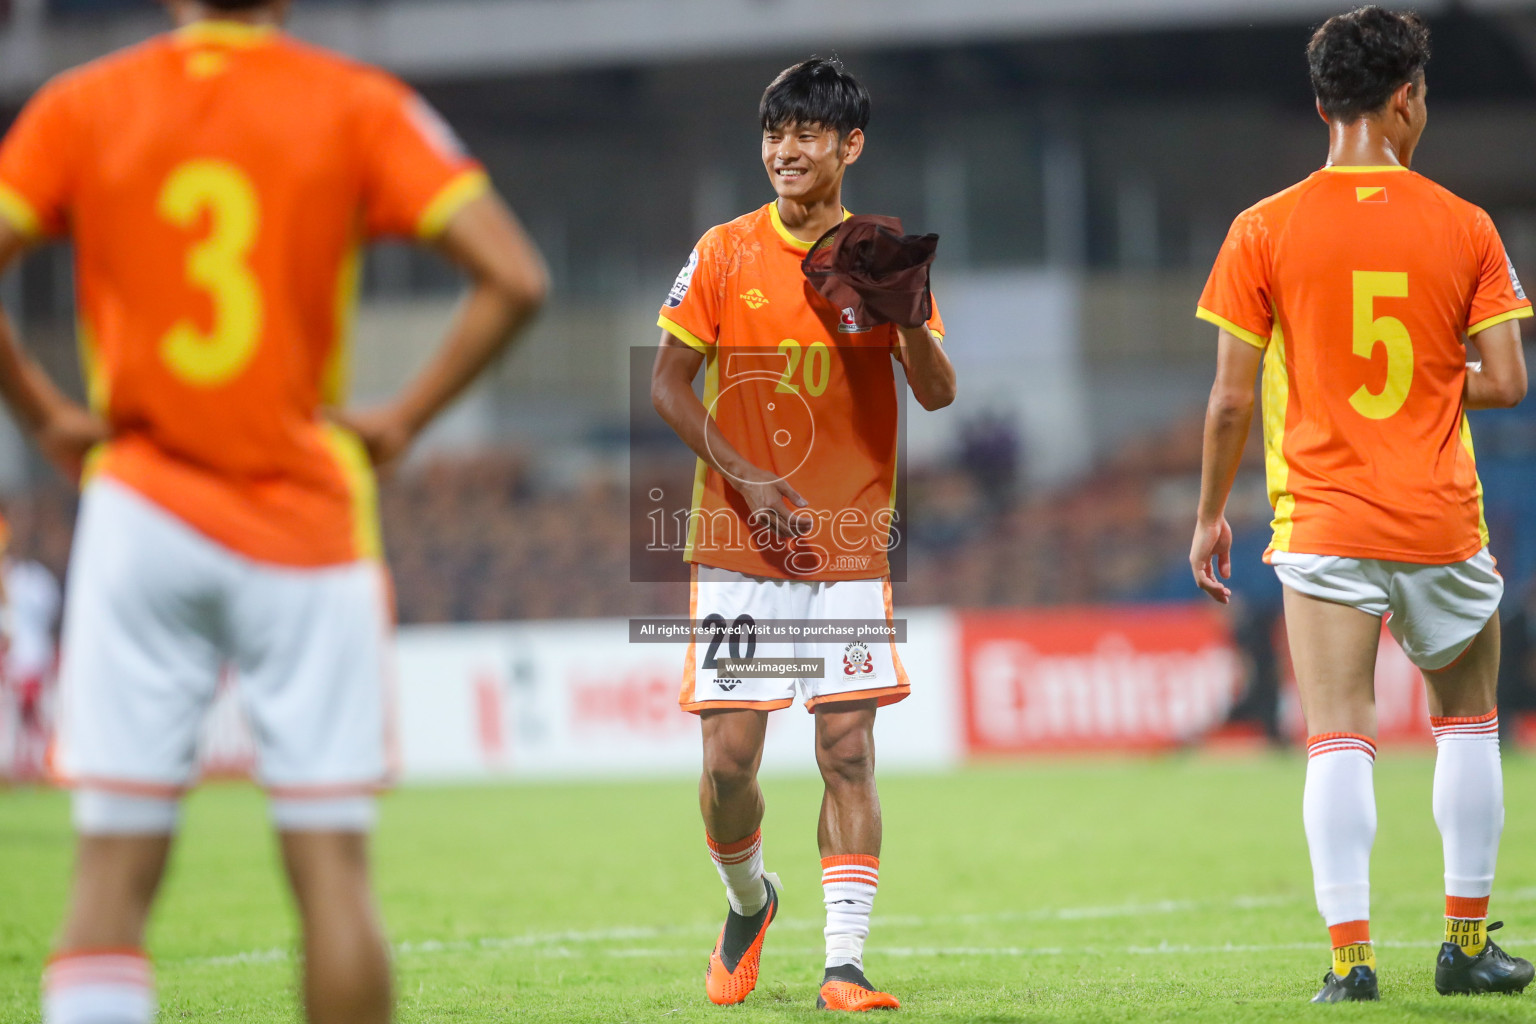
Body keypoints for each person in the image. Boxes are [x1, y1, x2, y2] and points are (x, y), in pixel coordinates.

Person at [0, 0, 548, 1020]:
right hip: (305, 522)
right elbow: (515, 275)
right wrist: (400, 421)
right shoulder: (356, 104)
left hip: (141, 504)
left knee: (108, 874)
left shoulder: (80, 106)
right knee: (331, 868)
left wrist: (41, 414)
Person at [1189, 5, 1532, 1003]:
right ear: (1407, 98)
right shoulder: (1465, 224)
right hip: (1439, 518)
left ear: (1320, 103)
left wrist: (1212, 512)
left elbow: (1229, 398)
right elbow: (1506, 379)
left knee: (1337, 731)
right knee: (1468, 720)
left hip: (1326, 521)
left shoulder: (1263, 226)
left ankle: (1350, 961)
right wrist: (1434, 374)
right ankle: (1467, 948)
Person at [651, 58, 955, 1011]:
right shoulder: (724, 250)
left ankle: (846, 965)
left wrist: (906, 320)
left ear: (849, 147)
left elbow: (939, 393)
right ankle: (750, 903)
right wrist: (748, 478)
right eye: (775, 133)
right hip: (741, 544)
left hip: (852, 539)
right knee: (728, 766)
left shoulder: (885, 250)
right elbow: (665, 384)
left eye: (809, 134)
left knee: (847, 750)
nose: (787, 150)